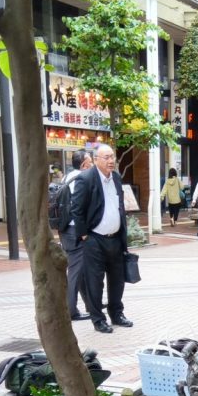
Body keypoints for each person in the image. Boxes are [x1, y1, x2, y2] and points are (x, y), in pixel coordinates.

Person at [70, 143, 133, 334]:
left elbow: (119, 205)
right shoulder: (85, 179)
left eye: (112, 156)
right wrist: (84, 235)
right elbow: (77, 210)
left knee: (117, 279)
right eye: (106, 157)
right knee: (95, 281)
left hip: (115, 238)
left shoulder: (116, 177)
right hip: (94, 239)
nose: (111, 161)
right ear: (96, 159)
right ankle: (98, 319)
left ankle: (117, 313)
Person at [58, 150, 94, 321]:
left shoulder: (66, 177)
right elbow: (81, 208)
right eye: (90, 161)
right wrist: (84, 233)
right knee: (75, 272)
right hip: (76, 231)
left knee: (80, 270)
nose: (92, 164)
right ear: (84, 164)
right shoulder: (81, 179)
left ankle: (91, 305)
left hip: (64, 230)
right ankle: (71, 310)